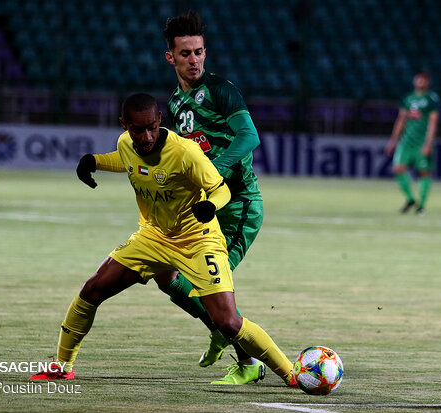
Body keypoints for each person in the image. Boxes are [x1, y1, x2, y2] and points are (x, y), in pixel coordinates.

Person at [30, 93, 298, 389]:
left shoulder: (186, 152)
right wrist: (94, 161)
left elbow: (220, 189)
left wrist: (211, 205)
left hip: (198, 240)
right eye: (137, 130)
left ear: (159, 121)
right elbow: (128, 160)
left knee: (228, 322)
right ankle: (61, 366)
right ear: (124, 125)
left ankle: (291, 375)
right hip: (153, 237)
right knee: (92, 290)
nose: (145, 136)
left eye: (151, 128)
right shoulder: (125, 143)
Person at [154, 11, 266, 384]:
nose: (194, 59)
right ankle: (220, 330)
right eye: (185, 53)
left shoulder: (222, 90)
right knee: (166, 273)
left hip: (237, 206)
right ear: (170, 57)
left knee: (214, 292)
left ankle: (247, 361)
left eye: (199, 52)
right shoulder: (175, 103)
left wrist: (215, 166)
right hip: (203, 207)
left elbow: (249, 137)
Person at [384, 70, 440, 215]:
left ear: (427, 82)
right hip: (406, 142)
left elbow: (433, 122)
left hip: (421, 142)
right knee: (398, 169)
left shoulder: (431, 99)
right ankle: (410, 199)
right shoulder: (407, 98)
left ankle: (421, 206)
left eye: (423, 80)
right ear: (414, 81)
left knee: (424, 173)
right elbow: (401, 120)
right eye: (418, 79)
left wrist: (428, 143)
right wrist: (393, 141)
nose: (420, 82)